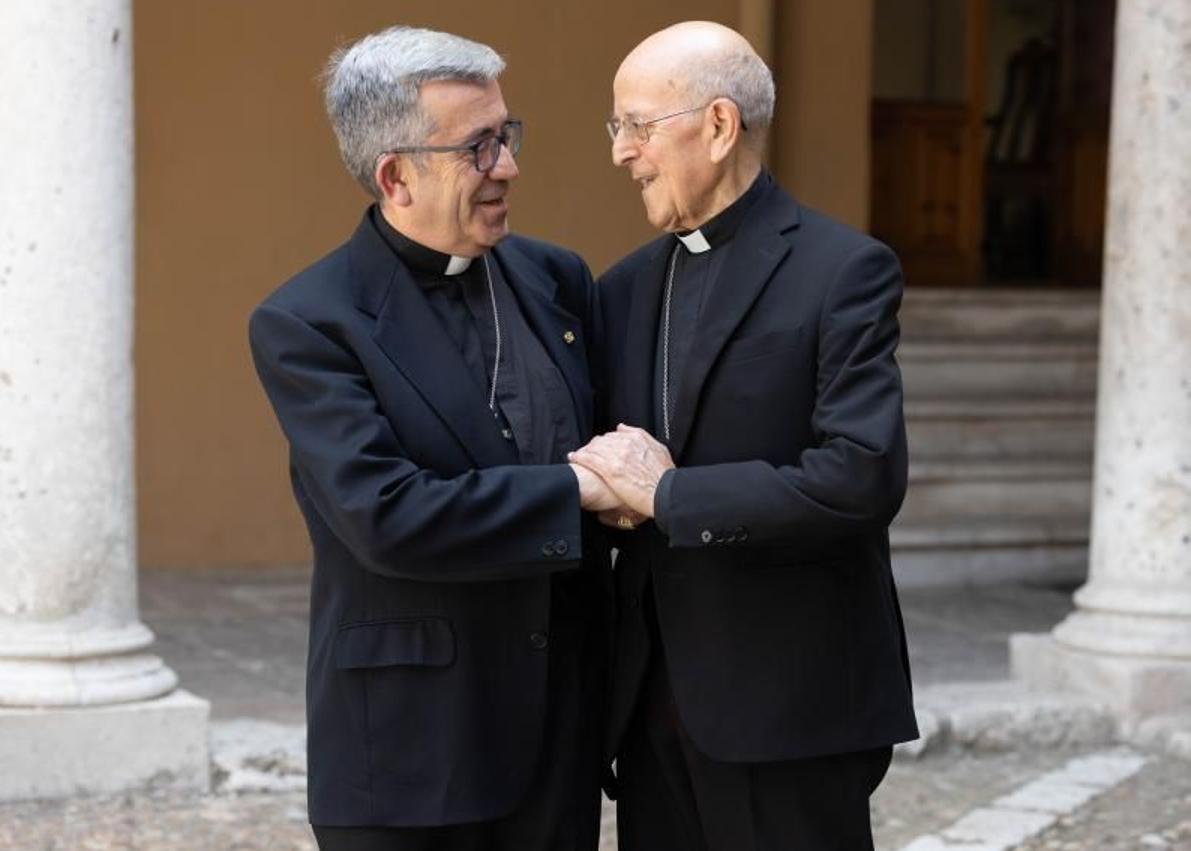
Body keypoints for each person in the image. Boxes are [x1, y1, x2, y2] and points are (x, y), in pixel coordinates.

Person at [248, 25, 615, 851]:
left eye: (507, 136)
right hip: (409, 749)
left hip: (554, 730)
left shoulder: (555, 279)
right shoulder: (308, 321)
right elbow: (386, 513)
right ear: (395, 175)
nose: (508, 167)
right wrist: (577, 489)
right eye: (479, 148)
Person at [569, 21, 918, 851]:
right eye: (615, 128)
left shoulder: (843, 270)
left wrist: (668, 495)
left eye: (636, 126)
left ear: (718, 126)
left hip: (790, 703)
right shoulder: (619, 289)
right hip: (649, 702)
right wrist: (607, 497)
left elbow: (860, 474)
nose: (621, 152)